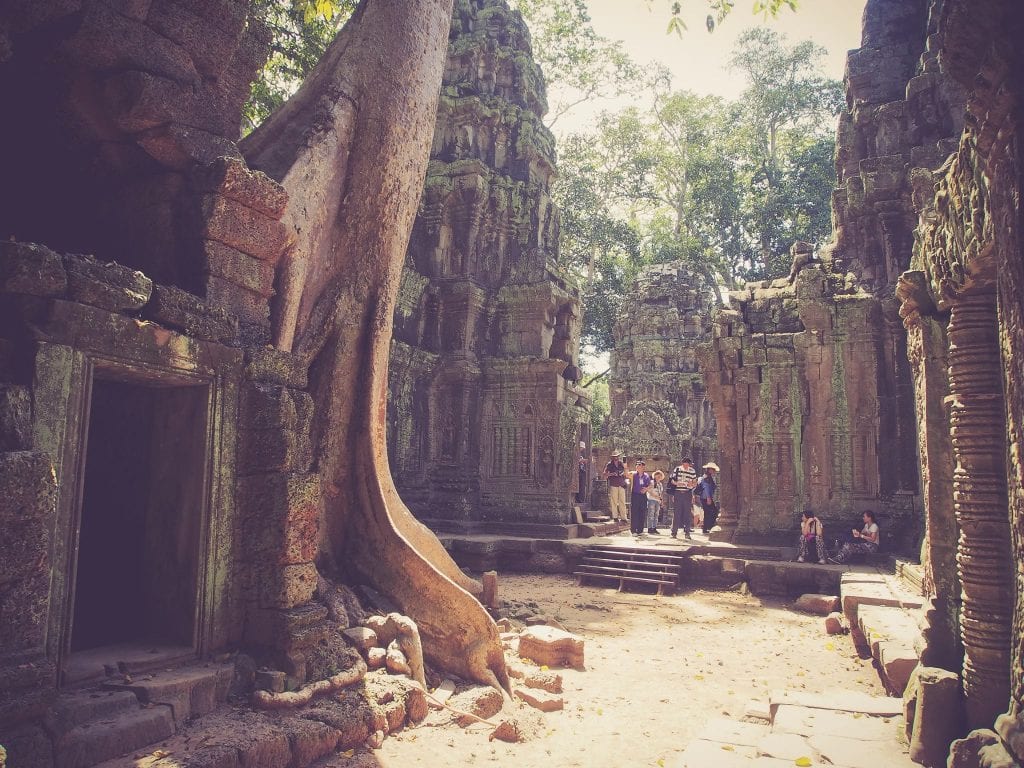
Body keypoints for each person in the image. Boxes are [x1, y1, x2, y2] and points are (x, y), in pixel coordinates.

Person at [668, 457, 698, 539]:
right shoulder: (677, 469)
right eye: (684, 464)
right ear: (682, 464)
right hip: (678, 493)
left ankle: (687, 532)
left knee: (687, 513)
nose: (686, 466)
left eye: (687, 464)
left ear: (689, 464)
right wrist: (678, 483)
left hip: (687, 493)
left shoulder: (692, 471)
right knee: (676, 513)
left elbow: (695, 483)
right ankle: (674, 532)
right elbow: (672, 481)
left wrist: (691, 485)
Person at [630, 459, 652, 536]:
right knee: (634, 512)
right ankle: (633, 530)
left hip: (643, 496)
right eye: (638, 466)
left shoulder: (646, 476)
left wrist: (646, 489)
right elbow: (626, 474)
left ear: (643, 467)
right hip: (635, 495)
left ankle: (640, 530)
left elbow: (650, 485)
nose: (639, 467)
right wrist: (625, 465)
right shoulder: (633, 475)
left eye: (641, 466)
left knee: (642, 512)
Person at [604, 452, 627, 522]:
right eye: (614, 456)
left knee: (622, 501)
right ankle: (615, 517)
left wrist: (622, 473)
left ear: (618, 456)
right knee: (614, 502)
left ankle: (623, 518)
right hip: (613, 484)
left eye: (616, 456)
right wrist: (612, 474)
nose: (615, 457)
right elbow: (604, 474)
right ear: (612, 457)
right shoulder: (609, 464)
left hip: (622, 484)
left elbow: (626, 471)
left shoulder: (621, 463)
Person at [696, 463, 719, 534]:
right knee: (712, 512)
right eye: (713, 469)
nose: (714, 471)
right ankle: (707, 527)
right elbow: (706, 488)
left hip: (706, 497)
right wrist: (708, 498)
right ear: (710, 470)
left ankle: (706, 528)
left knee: (709, 512)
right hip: (706, 497)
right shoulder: (706, 478)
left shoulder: (708, 477)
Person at [646, 470, 665, 534]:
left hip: (658, 500)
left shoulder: (660, 484)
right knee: (651, 514)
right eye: (657, 475)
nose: (658, 476)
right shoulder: (651, 482)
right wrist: (655, 496)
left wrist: (662, 501)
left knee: (656, 515)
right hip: (651, 499)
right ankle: (649, 528)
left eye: (660, 475)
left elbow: (661, 493)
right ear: (655, 476)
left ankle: (654, 528)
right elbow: (648, 490)